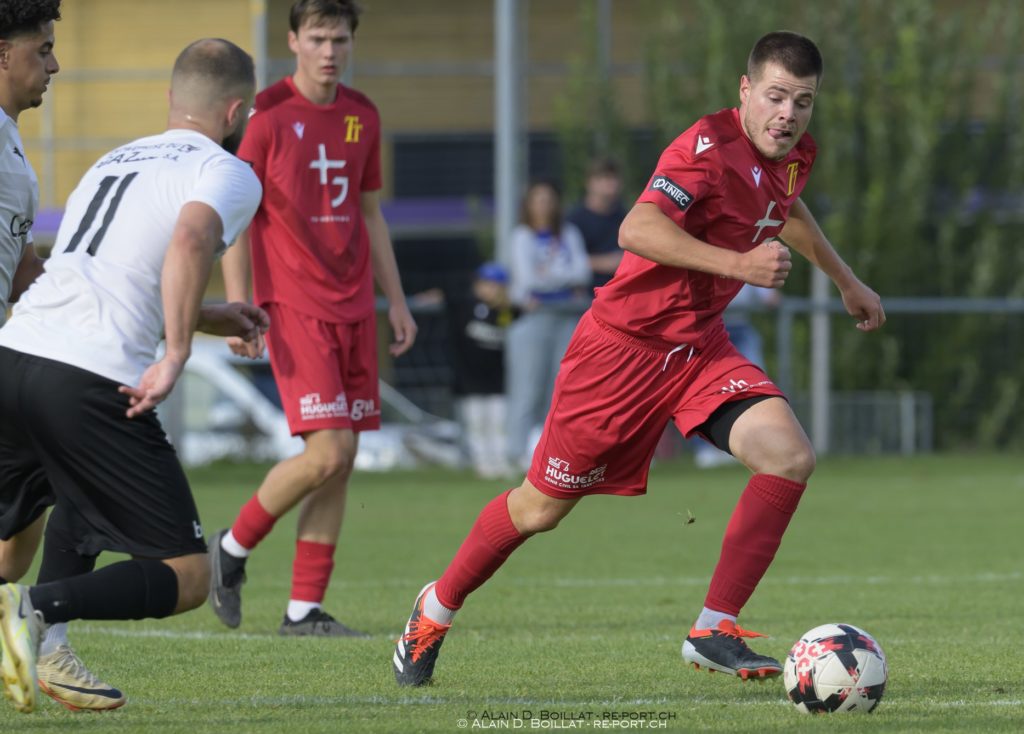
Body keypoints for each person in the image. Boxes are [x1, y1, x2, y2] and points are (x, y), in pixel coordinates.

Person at [392, 31, 885, 687]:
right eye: (775, 97)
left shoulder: (796, 154)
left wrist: (847, 279)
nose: (788, 114)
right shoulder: (702, 151)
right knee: (538, 510)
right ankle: (434, 608)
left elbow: (785, 208)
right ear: (745, 91)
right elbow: (637, 229)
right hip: (619, 355)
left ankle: (714, 627)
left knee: (789, 455)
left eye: (802, 101)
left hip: (698, 349)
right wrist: (739, 263)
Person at [0, 37, 265, 714]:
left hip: (17, 355)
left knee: (9, 548)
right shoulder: (228, 170)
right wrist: (176, 352)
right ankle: (33, 611)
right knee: (189, 576)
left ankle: (49, 647)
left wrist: (208, 316)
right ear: (237, 112)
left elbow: (109, 276)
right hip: (90, 379)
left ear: (173, 101)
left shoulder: (114, 158)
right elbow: (189, 241)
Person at [207, 0, 417, 638]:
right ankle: (232, 549)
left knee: (342, 457)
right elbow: (235, 218)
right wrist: (242, 305)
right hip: (294, 306)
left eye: (341, 38)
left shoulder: (363, 115)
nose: (330, 50)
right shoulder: (267, 115)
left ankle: (303, 610)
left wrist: (397, 300)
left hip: (354, 306)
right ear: (294, 40)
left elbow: (372, 213)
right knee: (328, 450)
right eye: (318, 37)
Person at [505, 179, 591, 470]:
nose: (544, 205)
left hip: (567, 317)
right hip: (534, 319)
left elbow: (583, 271)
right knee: (527, 386)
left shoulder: (568, 233)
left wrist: (551, 278)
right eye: (537, 199)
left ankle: (552, 455)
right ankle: (516, 452)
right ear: (528, 204)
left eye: (548, 198)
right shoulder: (522, 237)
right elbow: (528, 281)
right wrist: (562, 278)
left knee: (563, 389)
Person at [694, 283, 781, 468]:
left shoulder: (747, 257)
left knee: (757, 387)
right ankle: (706, 449)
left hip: (741, 328)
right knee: (703, 391)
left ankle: (749, 447)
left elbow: (770, 298)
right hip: (707, 330)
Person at [450, 262, 517, 479]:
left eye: (494, 285)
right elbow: (445, 298)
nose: (487, 289)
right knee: (476, 423)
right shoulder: (465, 306)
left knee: (498, 422)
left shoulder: (507, 310)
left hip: (496, 380)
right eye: (484, 284)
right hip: (469, 380)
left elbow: (523, 310)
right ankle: (482, 461)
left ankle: (499, 459)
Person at [566, 157, 627, 290]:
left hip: (620, 290)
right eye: (604, 178)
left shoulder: (626, 216)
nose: (610, 184)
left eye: (614, 178)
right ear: (589, 183)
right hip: (584, 294)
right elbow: (567, 260)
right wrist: (608, 262)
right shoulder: (574, 220)